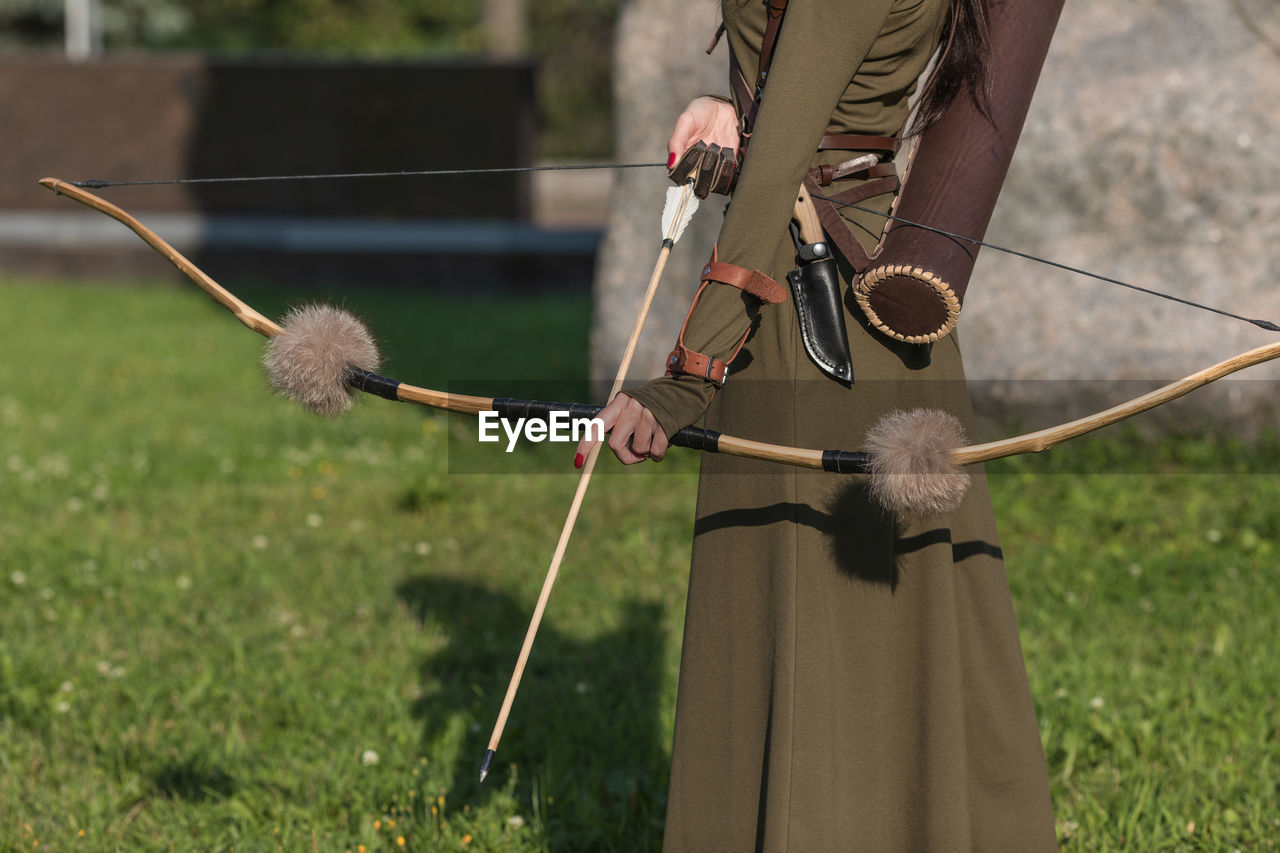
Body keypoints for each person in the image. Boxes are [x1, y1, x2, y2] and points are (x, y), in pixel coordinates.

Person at [576, 0, 1057, 848]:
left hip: (827, 329)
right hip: (814, 296)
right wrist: (736, 108)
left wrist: (689, 378)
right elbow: (809, 97)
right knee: (799, 646)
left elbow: (786, 160)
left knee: (849, 670)